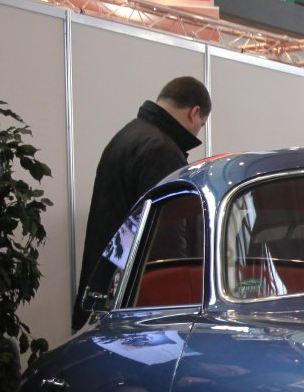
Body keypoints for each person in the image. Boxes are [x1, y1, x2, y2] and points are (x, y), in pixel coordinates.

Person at [74, 76, 212, 330]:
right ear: (194, 113)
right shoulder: (162, 151)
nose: (197, 131)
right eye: (201, 124)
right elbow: (167, 238)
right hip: (139, 300)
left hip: (109, 285)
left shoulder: (127, 136)